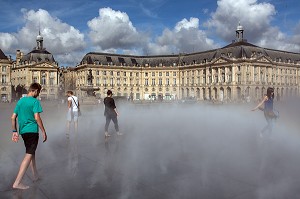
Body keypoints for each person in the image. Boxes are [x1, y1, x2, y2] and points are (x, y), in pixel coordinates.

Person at [11, 83, 47, 189]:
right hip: (32, 131)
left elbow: (13, 117)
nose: (38, 94)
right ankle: (17, 182)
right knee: (28, 155)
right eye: (38, 92)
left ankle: (35, 176)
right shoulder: (35, 101)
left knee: (31, 153)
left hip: (23, 132)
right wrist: (44, 131)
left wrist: (14, 131)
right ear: (35, 91)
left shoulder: (20, 101)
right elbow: (37, 118)